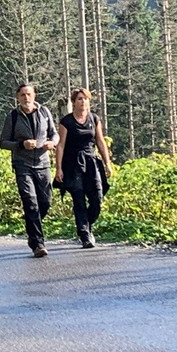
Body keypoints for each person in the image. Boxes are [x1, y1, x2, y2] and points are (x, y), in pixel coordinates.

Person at [0, 83, 58, 258]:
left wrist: (52, 143)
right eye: (22, 95)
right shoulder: (12, 117)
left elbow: (55, 134)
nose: (26, 98)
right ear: (18, 98)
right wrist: (21, 145)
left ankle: (32, 234)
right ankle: (38, 243)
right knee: (30, 201)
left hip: (43, 163)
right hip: (22, 164)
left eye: (29, 94)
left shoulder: (45, 112)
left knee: (45, 202)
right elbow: (3, 142)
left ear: (34, 96)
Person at [55, 88, 114, 248]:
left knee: (97, 198)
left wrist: (107, 162)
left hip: (91, 162)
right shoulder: (66, 122)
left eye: (85, 99)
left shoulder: (94, 119)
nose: (83, 102)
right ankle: (84, 235)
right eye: (79, 99)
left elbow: (100, 141)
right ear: (73, 102)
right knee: (79, 199)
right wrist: (58, 168)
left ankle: (87, 225)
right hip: (73, 165)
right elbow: (60, 146)